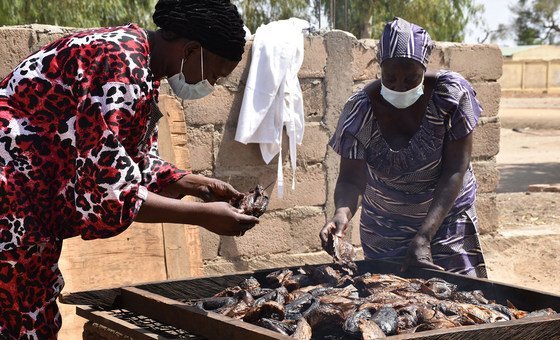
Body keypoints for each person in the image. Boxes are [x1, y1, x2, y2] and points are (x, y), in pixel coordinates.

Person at [0, 0, 258, 338]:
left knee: (33, 317)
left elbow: (126, 158)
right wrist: (202, 216)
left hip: (29, 210)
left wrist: (195, 185)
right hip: (12, 202)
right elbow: (109, 194)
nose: (209, 85)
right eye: (213, 74)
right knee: (15, 319)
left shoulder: (140, 68)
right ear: (192, 50)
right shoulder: (119, 66)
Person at [320, 17, 487, 279]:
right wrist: (342, 213)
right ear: (380, 69)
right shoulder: (360, 111)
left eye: (411, 78)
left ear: (424, 67)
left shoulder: (451, 96)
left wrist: (425, 236)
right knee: (391, 299)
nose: (400, 86)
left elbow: (456, 169)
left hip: (446, 219)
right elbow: (351, 180)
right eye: (390, 78)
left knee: (459, 298)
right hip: (386, 225)